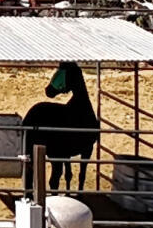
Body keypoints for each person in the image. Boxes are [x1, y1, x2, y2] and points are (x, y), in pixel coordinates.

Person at [20, 60, 102, 192]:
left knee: (54, 167)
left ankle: (37, 194)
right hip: (65, 137)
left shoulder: (76, 108)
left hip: (65, 137)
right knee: (53, 168)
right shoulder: (83, 111)